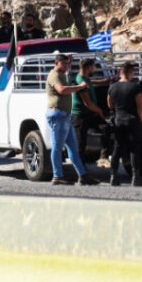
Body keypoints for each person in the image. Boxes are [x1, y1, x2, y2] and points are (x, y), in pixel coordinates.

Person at [45, 54, 99, 185]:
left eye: (67, 63)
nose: (66, 65)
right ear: (56, 63)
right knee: (57, 147)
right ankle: (57, 176)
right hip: (57, 115)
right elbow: (61, 90)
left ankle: (83, 175)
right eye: (62, 63)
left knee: (73, 148)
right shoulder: (54, 75)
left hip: (65, 116)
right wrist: (80, 86)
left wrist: (69, 60)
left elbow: (66, 67)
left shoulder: (62, 72)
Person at [107, 62, 142, 186]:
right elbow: (140, 106)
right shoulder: (135, 87)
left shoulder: (112, 87)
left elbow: (109, 104)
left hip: (118, 119)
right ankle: (135, 178)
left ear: (119, 73)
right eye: (132, 72)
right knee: (134, 149)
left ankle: (113, 176)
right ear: (129, 72)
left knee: (117, 149)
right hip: (132, 119)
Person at [70, 58, 107, 162]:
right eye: (93, 67)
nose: (94, 70)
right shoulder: (81, 81)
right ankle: (81, 173)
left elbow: (90, 81)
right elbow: (88, 104)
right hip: (80, 116)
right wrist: (99, 111)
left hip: (87, 114)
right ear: (89, 67)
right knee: (80, 144)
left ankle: (103, 156)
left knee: (105, 128)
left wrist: (105, 81)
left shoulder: (84, 78)